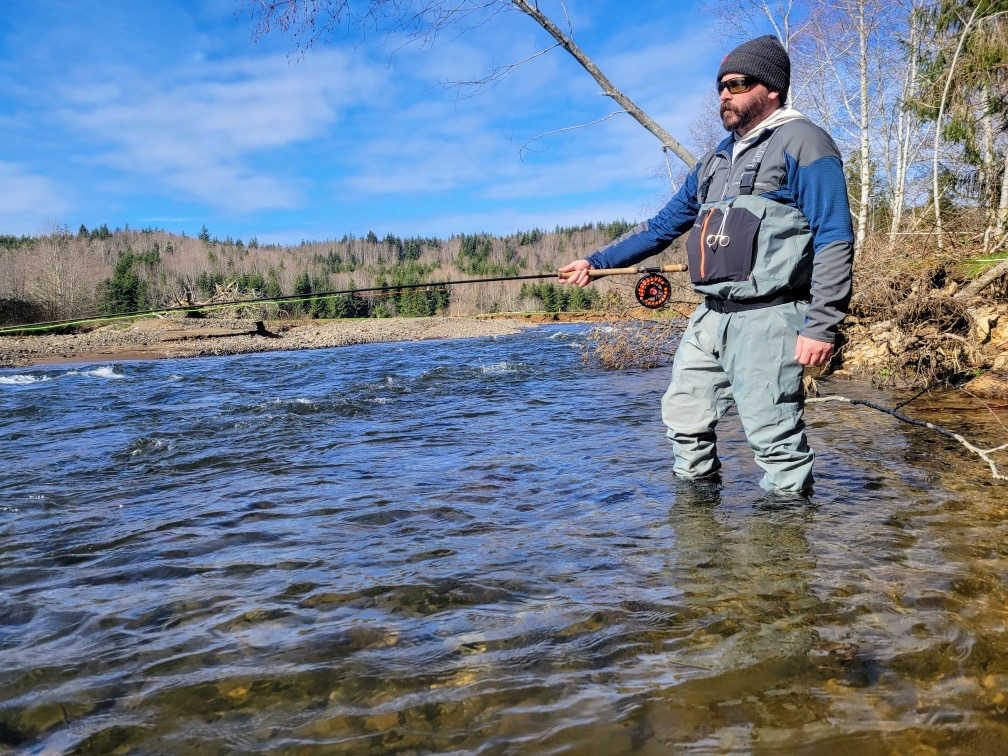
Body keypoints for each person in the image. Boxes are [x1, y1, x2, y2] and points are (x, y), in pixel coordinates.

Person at [560, 35, 854, 494]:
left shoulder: (804, 141)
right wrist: (595, 261)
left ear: (772, 88)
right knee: (684, 423)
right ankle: (699, 545)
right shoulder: (715, 160)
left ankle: (785, 555)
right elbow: (661, 228)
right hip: (708, 319)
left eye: (737, 84)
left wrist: (822, 325)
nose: (724, 94)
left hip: (770, 318)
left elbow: (835, 237)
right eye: (720, 85)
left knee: (775, 442)